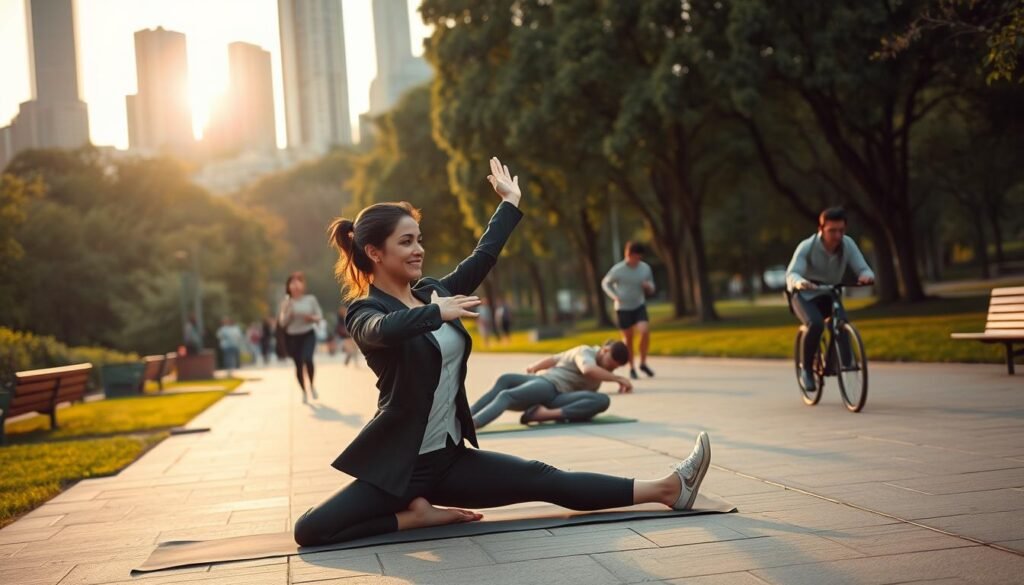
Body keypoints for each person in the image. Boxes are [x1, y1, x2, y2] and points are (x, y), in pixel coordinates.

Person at [293, 157, 712, 547]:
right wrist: (436, 314)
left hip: (449, 460)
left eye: (419, 239)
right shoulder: (367, 310)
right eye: (406, 242)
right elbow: (382, 331)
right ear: (374, 252)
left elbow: (482, 257)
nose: (418, 249)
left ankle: (668, 488)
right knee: (311, 528)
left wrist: (510, 205)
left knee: (543, 478)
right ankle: (414, 516)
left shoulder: (432, 291)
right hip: (397, 467)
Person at [786, 207, 875, 392]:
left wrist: (866, 276)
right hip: (804, 296)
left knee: (840, 322)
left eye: (841, 230)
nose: (837, 235)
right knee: (816, 324)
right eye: (832, 231)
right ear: (821, 229)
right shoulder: (807, 247)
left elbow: (863, 268)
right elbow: (792, 273)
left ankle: (845, 362)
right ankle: (807, 371)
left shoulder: (847, 244)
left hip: (829, 293)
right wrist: (800, 282)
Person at [470, 340, 632, 429]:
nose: (611, 369)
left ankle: (542, 414)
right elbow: (587, 369)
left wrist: (536, 366)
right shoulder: (585, 352)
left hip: (556, 398)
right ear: (604, 350)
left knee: (602, 400)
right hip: (547, 384)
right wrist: (618, 379)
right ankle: (469, 420)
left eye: (615, 368)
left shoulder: (602, 371)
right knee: (505, 382)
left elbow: (555, 359)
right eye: (611, 363)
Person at [602, 241, 657, 380]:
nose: (637, 260)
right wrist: (614, 296)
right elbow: (605, 283)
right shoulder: (618, 269)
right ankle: (632, 367)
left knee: (644, 331)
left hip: (639, 305)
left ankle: (643, 362)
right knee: (628, 339)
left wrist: (648, 286)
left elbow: (652, 286)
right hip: (622, 308)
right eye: (635, 256)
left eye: (640, 257)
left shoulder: (645, 268)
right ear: (629, 254)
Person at [279, 271, 323, 402]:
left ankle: (312, 385)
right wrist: (289, 314)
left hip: (308, 333)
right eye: (292, 283)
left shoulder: (310, 299)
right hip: (293, 337)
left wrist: (312, 318)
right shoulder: (287, 302)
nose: (296, 286)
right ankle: (304, 391)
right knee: (298, 364)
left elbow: (319, 316)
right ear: (289, 287)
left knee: (308, 359)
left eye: (298, 282)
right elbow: (282, 322)